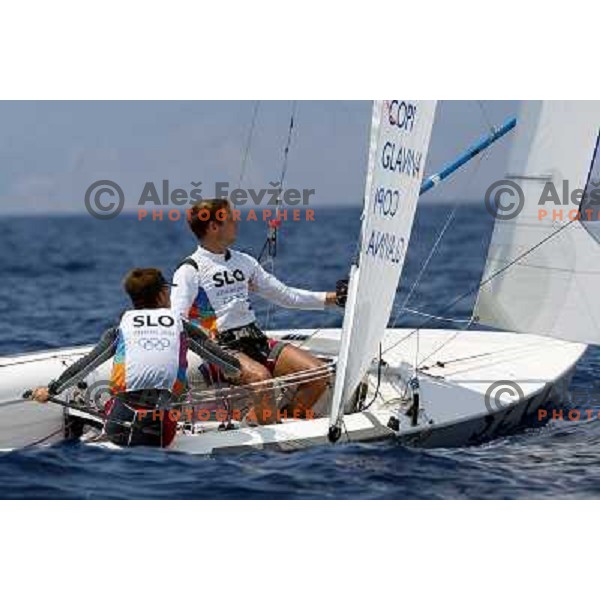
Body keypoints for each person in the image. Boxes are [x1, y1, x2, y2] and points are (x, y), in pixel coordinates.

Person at [171, 199, 346, 425]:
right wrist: (203, 334)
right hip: (220, 349)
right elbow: (177, 320)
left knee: (318, 375)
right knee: (262, 380)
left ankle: (282, 425)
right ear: (214, 227)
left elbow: (287, 296)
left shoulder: (244, 261)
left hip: (255, 339)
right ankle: (269, 442)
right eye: (231, 219)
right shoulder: (189, 270)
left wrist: (337, 298)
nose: (237, 223)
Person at [30, 268, 241, 447]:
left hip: (120, 425)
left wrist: (51, 390)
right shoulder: (182, 328)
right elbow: (229, 365)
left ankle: (92, 427)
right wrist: (237, 366)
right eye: (167, 292)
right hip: (160, 432)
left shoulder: (120, 330)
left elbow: (85, 365)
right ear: (161, 295)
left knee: (111, 404)